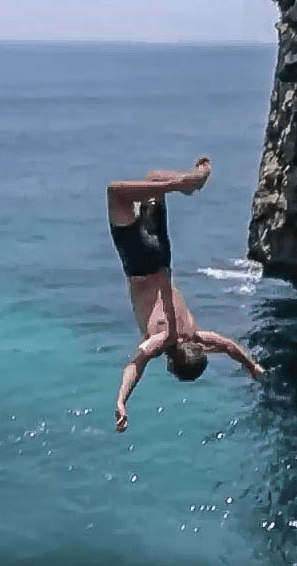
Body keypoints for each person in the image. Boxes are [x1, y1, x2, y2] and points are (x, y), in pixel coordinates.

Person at [107, 156, 265, 433]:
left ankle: (184, 184)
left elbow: (228, 347)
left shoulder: (196, 335)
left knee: (154, 180)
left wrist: (253, 367)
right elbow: (135, 366)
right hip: (139, 263)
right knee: (116, 193)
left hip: (162, 255)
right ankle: (182, 184)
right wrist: (121, 400)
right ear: (172, 363)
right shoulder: (159, 341)